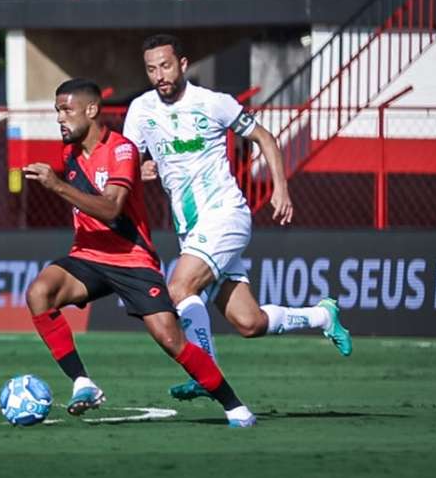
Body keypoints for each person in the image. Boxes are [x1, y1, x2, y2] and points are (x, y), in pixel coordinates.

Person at [122, 34, 352, 401]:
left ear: (183, 64)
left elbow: (265, 137)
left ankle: (205, 374)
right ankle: (322, 316)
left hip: (225, 216)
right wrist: (140, 168)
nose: (159, 75)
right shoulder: (141, 110)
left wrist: (281, 188)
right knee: (249, 322)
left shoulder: (213, 103)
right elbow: (127, 159)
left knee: (179, 288)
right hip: (191, 229)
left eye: (165, 66)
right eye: (151, 69)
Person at [23, 78, 256, 427]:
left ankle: (234, 405)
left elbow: (112, 210)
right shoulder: (69, 152)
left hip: (132, 259)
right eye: (58, 110)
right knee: (39, 293)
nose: (60, 118)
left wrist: (56, 186)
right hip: (88, 254)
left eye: (67, 109)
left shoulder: (122, 150)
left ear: (91, 110)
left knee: (169, 338)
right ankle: (83, 382)